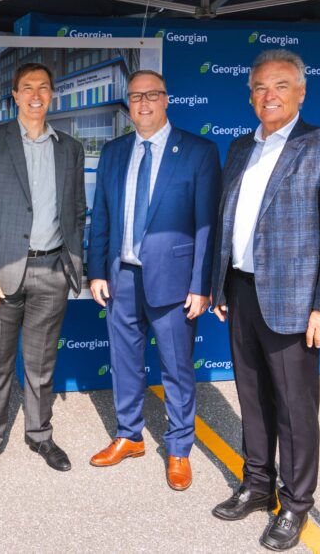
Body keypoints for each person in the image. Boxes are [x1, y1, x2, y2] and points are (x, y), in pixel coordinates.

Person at [210, 49, 320, 551]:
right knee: (251, 398)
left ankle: (295, 503)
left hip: (297, 301)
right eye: (258, 87)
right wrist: (219, 285)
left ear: (301, 92)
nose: (267, 95)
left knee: (295, 409)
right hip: (241, 291)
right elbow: (227, 224)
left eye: (278, 86)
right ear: (249, 95)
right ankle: (257, 485)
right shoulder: (238, 149)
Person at [87, 69, 220, 491]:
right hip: (121, 275)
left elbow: (207, 225)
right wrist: (95, 271)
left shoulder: (197, 151)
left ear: (167, 99)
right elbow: (101, 217)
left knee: (177, 367)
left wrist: (202, 284)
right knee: (125, 361)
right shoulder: (114, 152)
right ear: (128, 105)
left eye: (151, 95)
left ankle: (179, 447)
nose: (142, 103)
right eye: (135, 97)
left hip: (176, 280)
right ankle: (129, 435)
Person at [0, 62, 86, 483]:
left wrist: (75, 264)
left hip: (52, 269)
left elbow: (77, 213)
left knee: (41, 362)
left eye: (43, 87)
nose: (36, 94)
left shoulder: (69, 148)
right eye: (27, 88)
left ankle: (39, 434)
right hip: (2, 274)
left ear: (52, 95)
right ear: (14, 96)